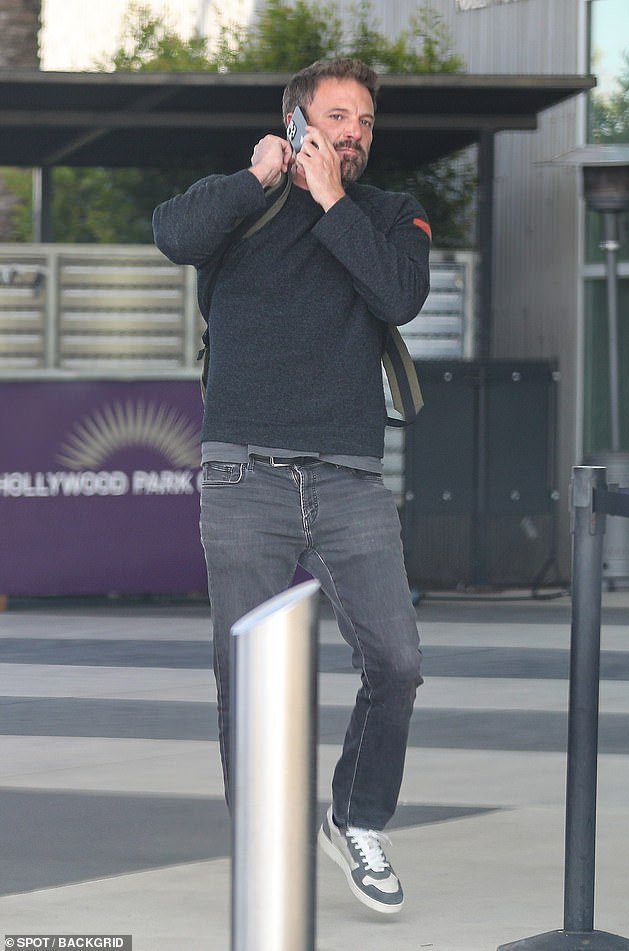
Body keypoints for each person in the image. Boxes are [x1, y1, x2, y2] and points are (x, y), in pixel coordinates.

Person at [153, 57, 431, 915]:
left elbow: (400, 296)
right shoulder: (245, 201)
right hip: (243, 474)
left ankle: (357, 816)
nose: (355, 132)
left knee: (398, 660)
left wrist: (334, 202)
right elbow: (173, 234)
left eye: (366, 121)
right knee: (246, 673)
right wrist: (256, 179)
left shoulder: (388, 213)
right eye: (338, 116)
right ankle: (264, 843)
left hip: (349, 477)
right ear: (299, 121)